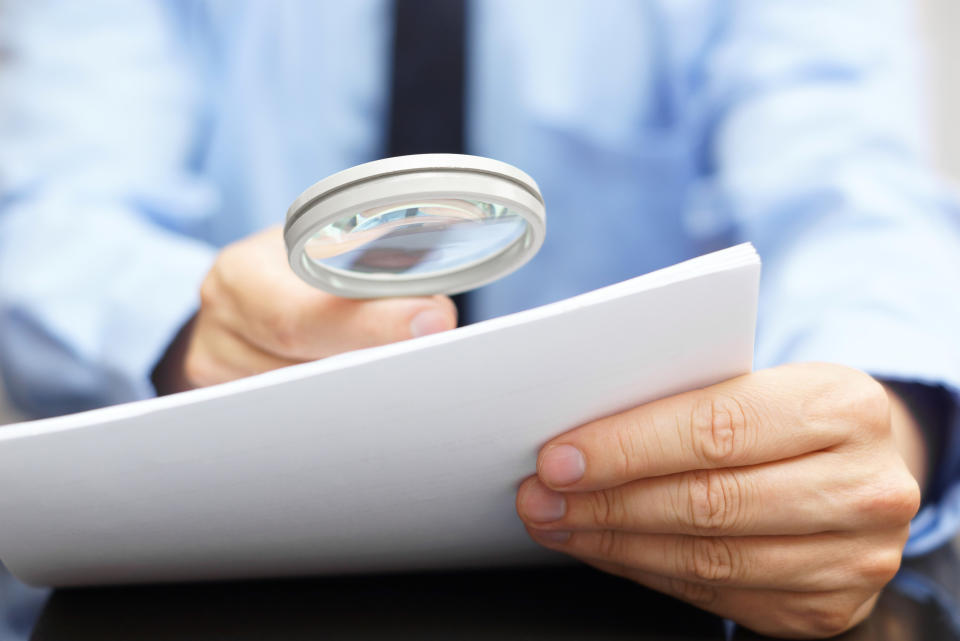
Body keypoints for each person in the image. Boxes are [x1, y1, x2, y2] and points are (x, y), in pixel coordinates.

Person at [1, 1, 958, 637]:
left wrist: (878, 430)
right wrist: (193, 332)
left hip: (646, 577)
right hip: (211, 572)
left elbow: (853, 192)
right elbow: (52, 209)